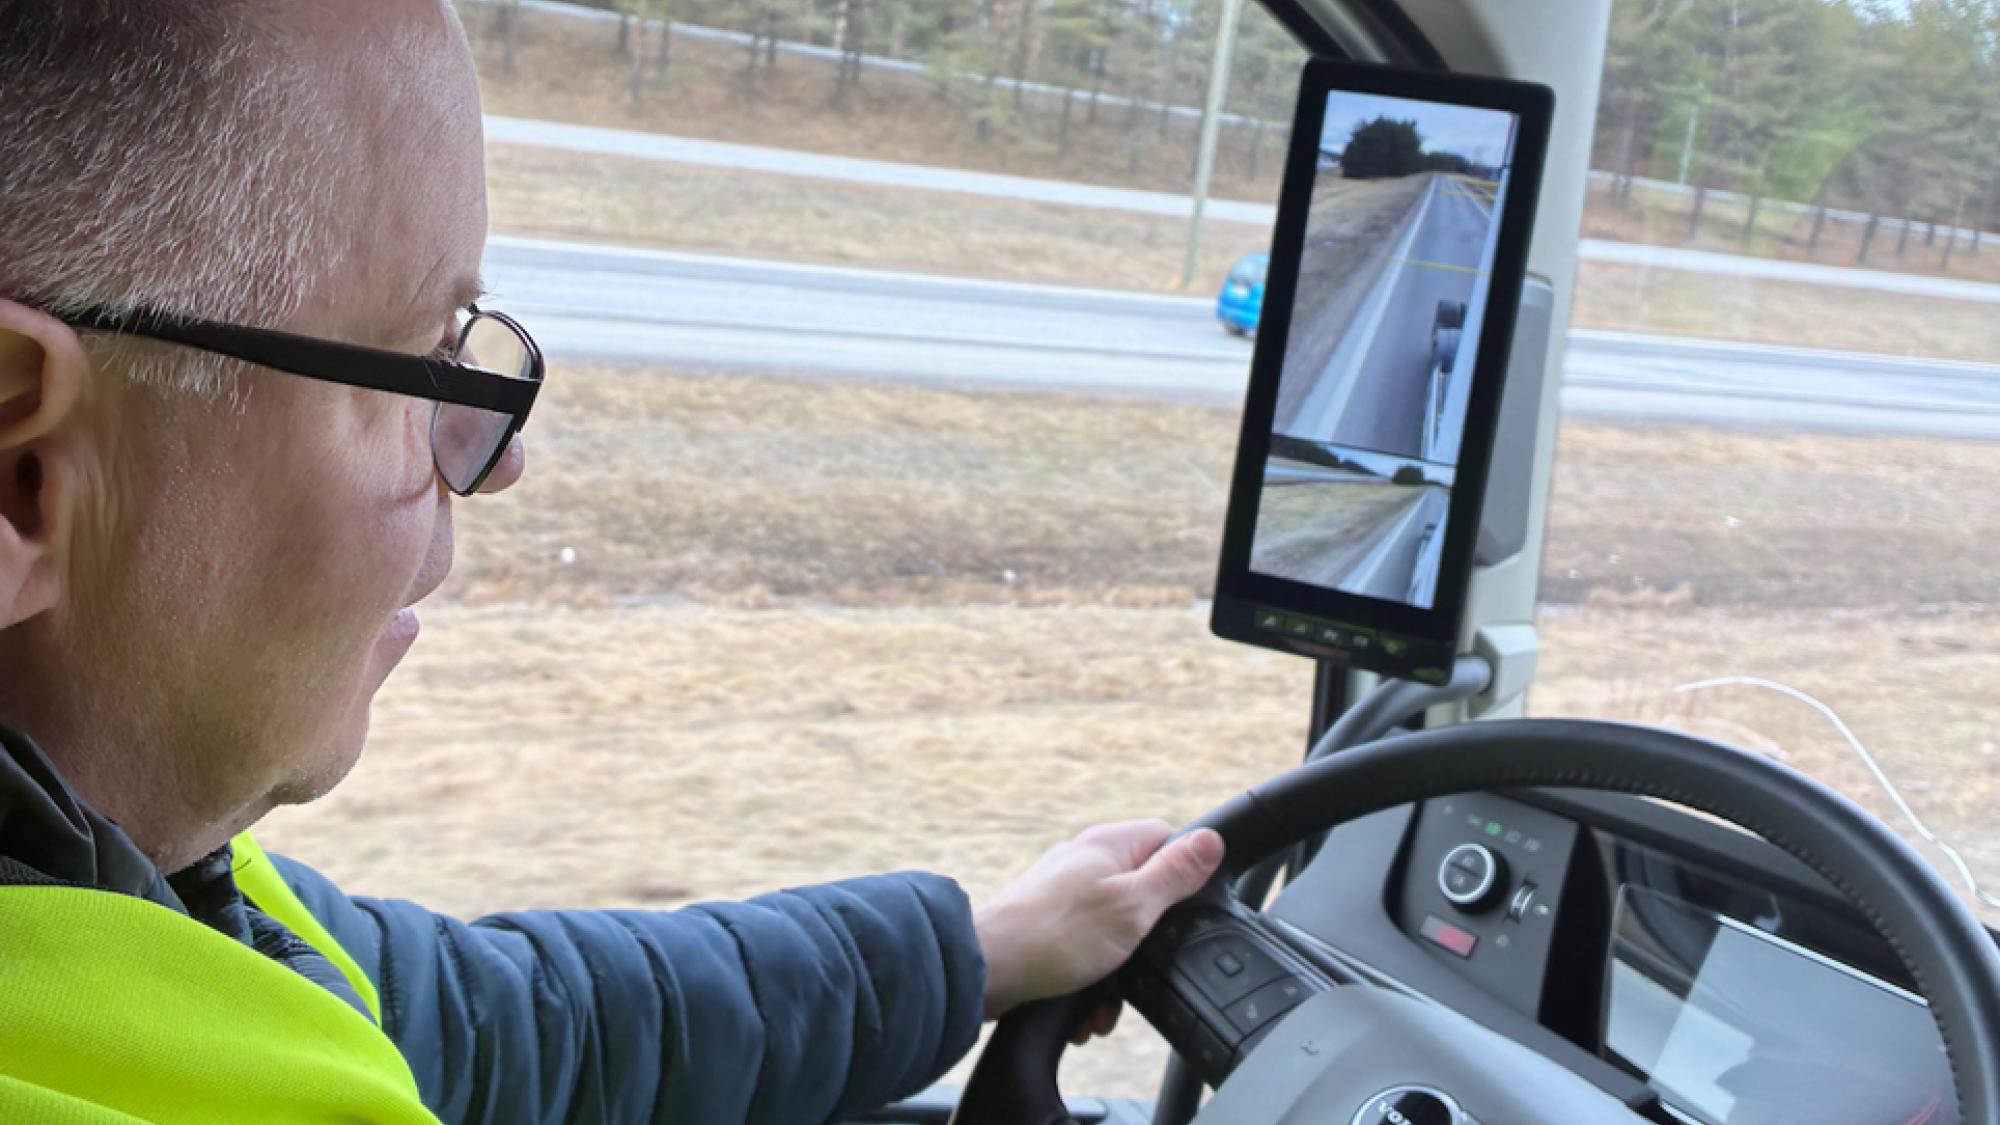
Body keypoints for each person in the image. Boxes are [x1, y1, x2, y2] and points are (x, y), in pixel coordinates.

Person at [0, 2, 1226, 1121]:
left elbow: (509, 1025)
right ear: (25, 481)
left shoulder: (120, 872)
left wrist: (977, 948)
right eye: (426, 365)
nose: (498, 462)